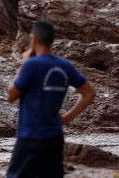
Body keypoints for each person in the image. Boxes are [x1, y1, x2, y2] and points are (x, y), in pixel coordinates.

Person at [6, 20, 96, 178]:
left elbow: (11, 96)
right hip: (54, 137)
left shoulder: (31, 65)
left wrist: (24, 63)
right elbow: (89, 93)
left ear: (33, 40)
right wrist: (66, 118)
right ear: (51, 40)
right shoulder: (65, 65)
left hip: (31, 136)